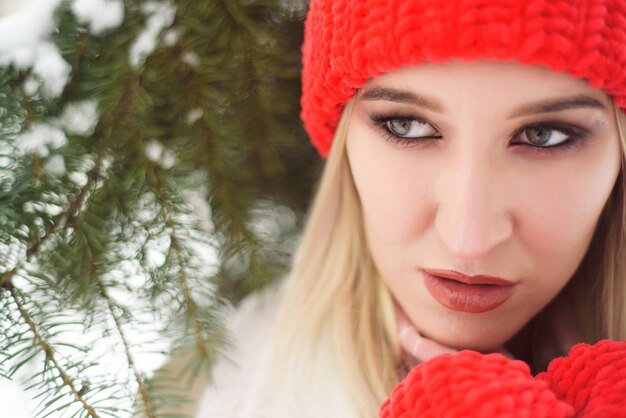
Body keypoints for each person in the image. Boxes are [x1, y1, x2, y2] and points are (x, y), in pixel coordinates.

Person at [193, 0, 626, 416]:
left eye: (544, 136)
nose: (468, 239)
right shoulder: (202, 393)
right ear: (345, 142)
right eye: (409, 126)